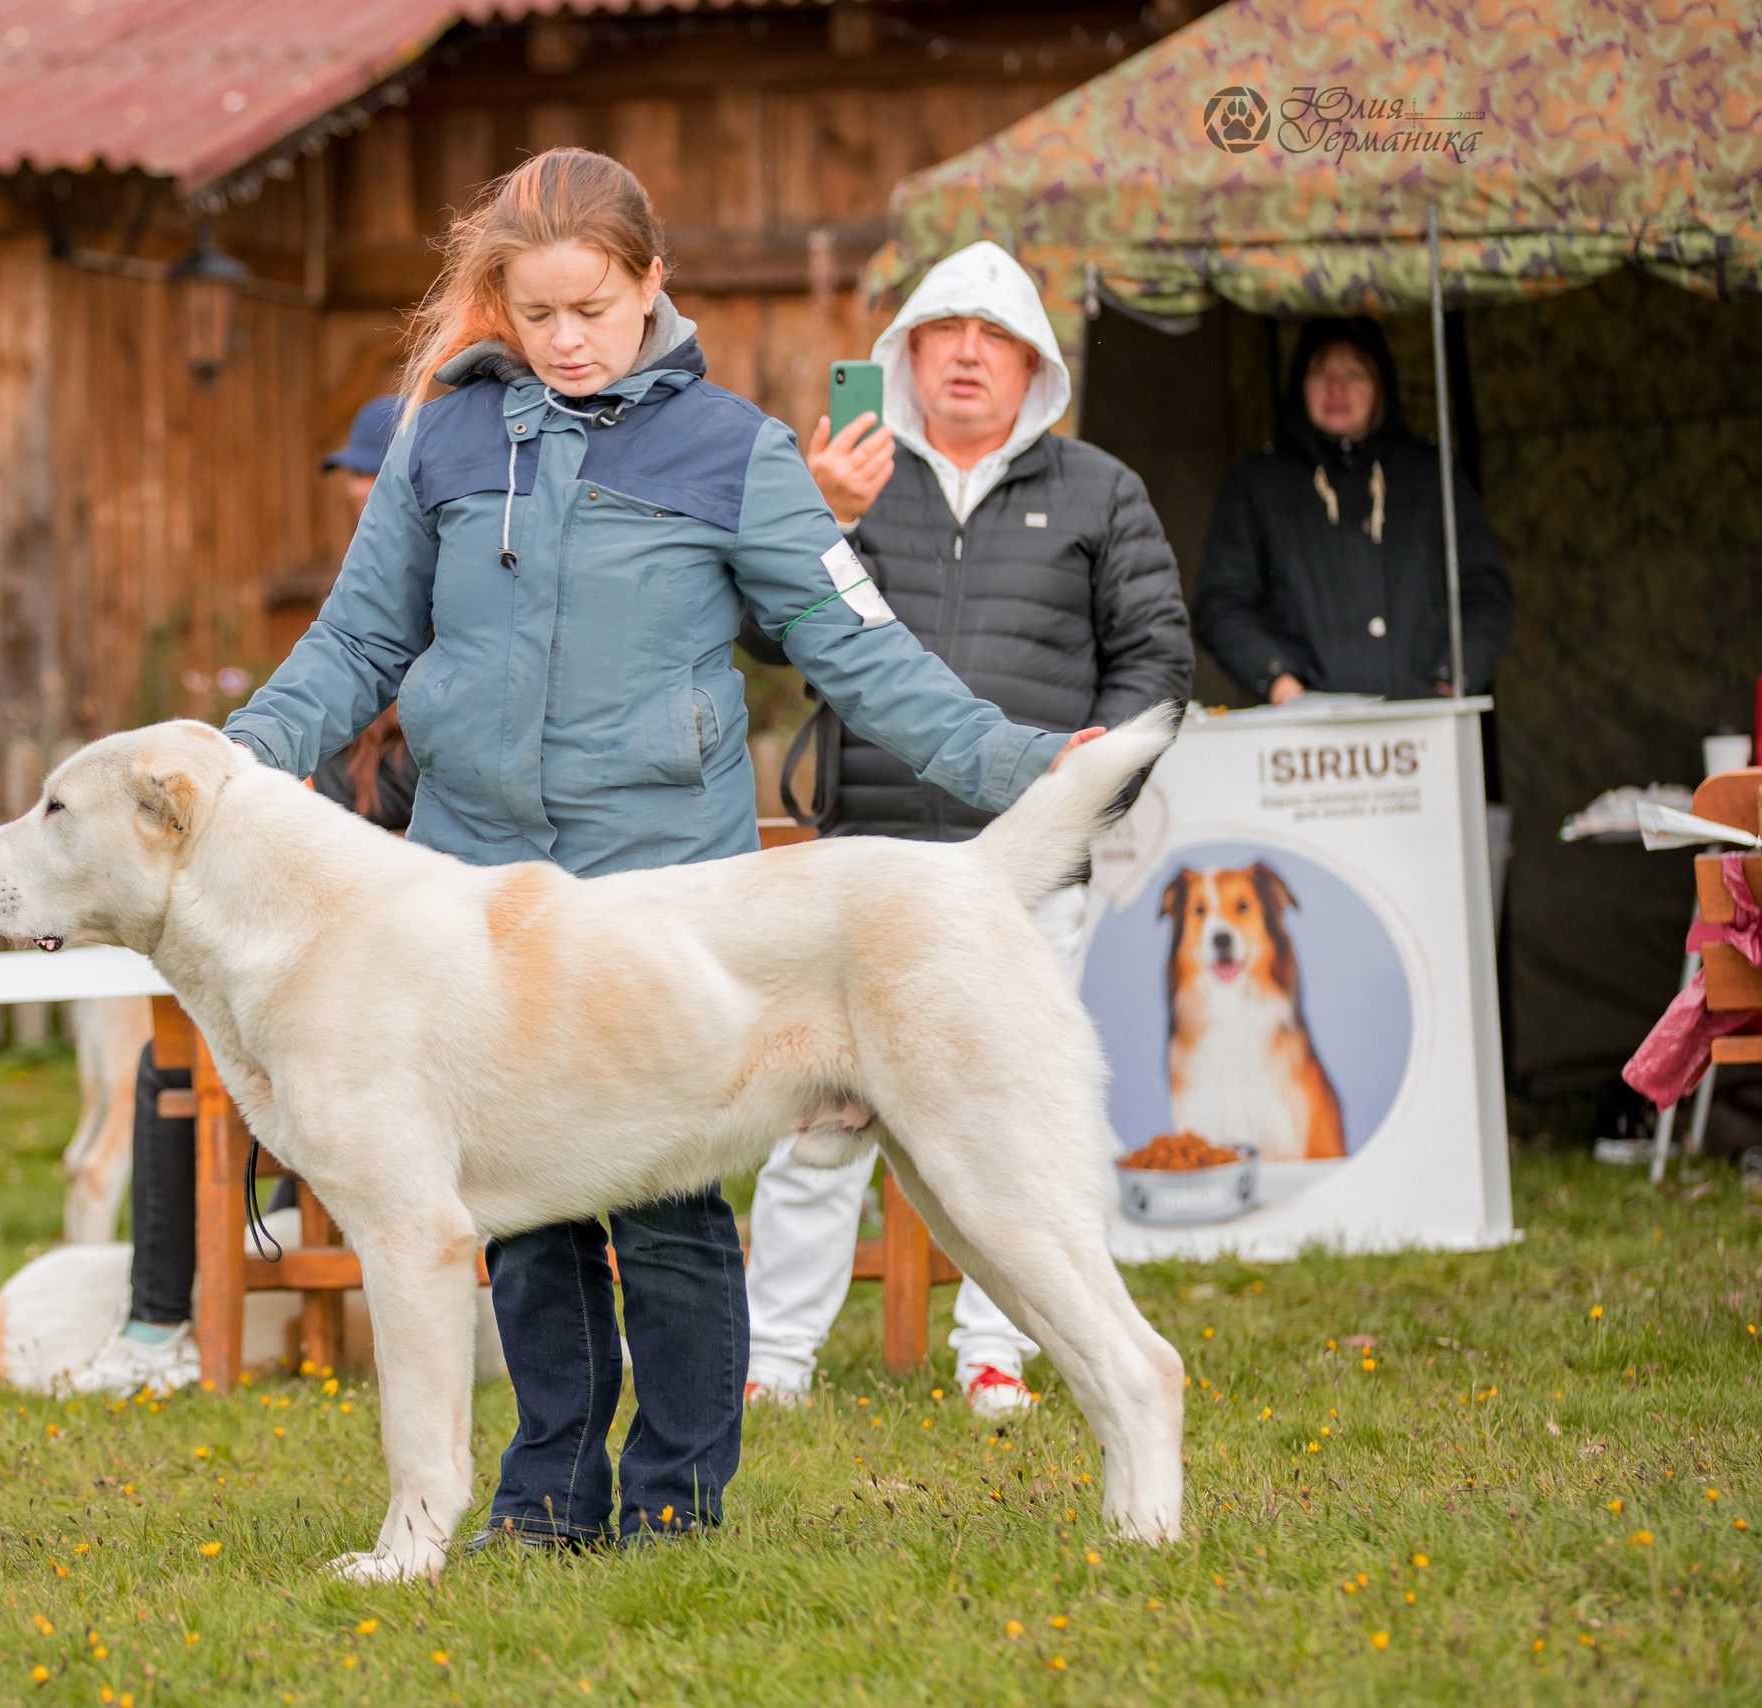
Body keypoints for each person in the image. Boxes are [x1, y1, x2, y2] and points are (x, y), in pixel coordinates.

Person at [220, 151, 1100, 1549]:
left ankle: (678, 1500)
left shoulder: (737, 450)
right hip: (474, 889)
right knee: (525, 1216)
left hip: (666, 895)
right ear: (501, 304)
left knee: (673, 1206)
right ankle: (547, 1493)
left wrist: (1017, 761)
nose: (566, 340)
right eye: (537, 312)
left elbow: (858, 653)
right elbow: (354, 641)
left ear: (652, 287)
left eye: (592, 308)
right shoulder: (439, 440)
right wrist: (233, 760)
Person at [741, 240, 1192, 1421]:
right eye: (945, 331)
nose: (967, 355)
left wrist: (1082, 792)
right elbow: (759, 635)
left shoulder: (1100, 491)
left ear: (1034, 365)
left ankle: (999, 1354)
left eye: (994, 337)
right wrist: (814, 514)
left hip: (1022, 873)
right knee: (814, 1125)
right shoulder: (851, 475)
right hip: (864, 865)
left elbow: (1152, 663)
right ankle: (772, 1360)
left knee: (1010, 1124)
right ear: (906, 352)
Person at [70, 395, 419, 1398]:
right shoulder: (349, 610)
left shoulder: (446, 598)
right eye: (349, 474)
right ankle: (156, 1320)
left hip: (402, 937)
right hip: (322, 916)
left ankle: (161, 1315)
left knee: (216, 1048)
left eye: (370, 471)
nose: (356, 489)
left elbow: (416, 786)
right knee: (175, 1052)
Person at [1193, 317, 1513, 705]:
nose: (1336, 389)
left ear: (1381, 386)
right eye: (1320, 372)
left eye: (1355, 374)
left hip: (1423, 724)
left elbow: (1485, 594)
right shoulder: (1261, 481)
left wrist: (1448, 682)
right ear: (1299, 384)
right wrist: (1280, 684)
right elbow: (1221, 604)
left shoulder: (1431, 473)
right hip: (1306, 740)